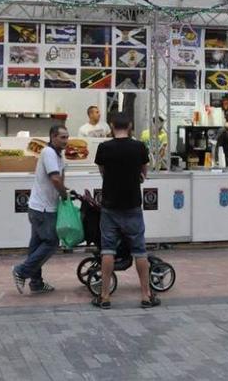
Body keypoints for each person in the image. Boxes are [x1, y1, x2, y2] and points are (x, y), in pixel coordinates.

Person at [93, 114, 161, 309]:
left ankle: (104, 296)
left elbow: (103, 172)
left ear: (112, 125)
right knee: (140, 251)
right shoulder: (139, 147)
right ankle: (146, 295)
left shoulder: (104, 148)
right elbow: (143, 173)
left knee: (107, 250)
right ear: (130, 125)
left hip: (110, 206)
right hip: (132, 205)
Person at [12, 125, 69, 294]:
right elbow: (55, 179)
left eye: (67, 137)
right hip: (44, 209)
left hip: (38, 207)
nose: (66, 141)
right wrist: (64, 195)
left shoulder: (57, 154)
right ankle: (21, 271)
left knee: (36, 246)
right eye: (62, 137)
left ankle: (36, 283)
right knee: (51, 243)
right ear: (52, 137)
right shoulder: (49, 153)